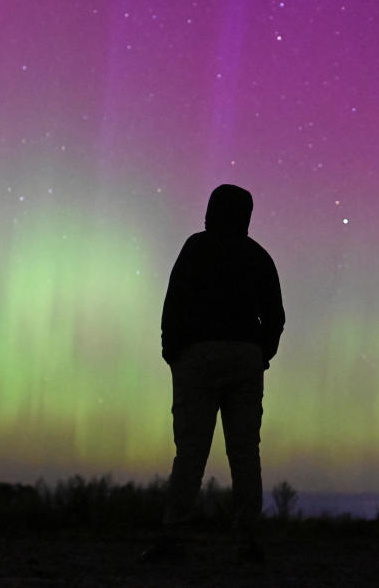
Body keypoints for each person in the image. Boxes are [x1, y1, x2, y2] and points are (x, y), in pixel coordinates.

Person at [142, 184, 285, 564]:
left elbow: (173, 304)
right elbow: (276, 317)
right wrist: (261, 354)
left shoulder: (196, 248)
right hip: (243, 358)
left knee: (190, 452)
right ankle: (247, 540)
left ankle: (173, 537)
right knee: (244, 452)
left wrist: (173, 353)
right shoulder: (259, 258)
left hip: (200, 357)